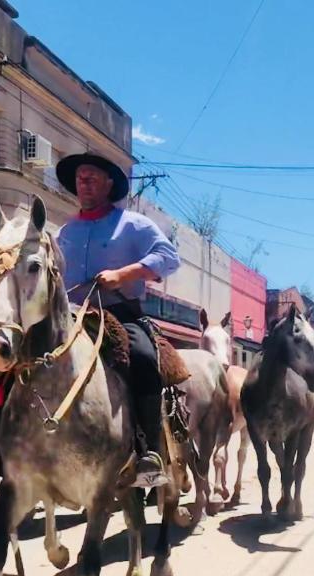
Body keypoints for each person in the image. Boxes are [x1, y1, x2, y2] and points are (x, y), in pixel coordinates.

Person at [55, 152, 180, 488]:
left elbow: (168, 258)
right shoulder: (63, 232)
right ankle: (1, 449)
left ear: (110, 183)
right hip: (69, 317)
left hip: (118, 315)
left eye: (92, 175)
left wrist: (123, 274)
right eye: (80, 176)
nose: (84, 181)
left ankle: (148, 452)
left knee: (141, 357)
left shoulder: (134, 225)